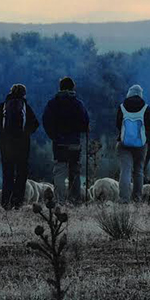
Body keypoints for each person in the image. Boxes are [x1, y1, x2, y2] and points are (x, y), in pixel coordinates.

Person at [0, 83, 39, 209]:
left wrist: (4, 131)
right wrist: (25, 133)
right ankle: (18, 202)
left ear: (10, 92)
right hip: (22, 145)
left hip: (6, 145)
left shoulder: (3, 106)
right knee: (22, 173)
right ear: (24, 94)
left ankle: (6, 202)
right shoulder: (25, 107)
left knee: (8, 173)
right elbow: (35, 124)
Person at [41, 76, 89, 205]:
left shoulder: (53, 103)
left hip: (59, 143)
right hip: (74, 143)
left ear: (60, 87)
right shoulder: (78, 104)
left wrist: (54, 136)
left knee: (59, 172)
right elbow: (85, 123)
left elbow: (46, 121)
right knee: (75, 171)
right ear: (73, 88)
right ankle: (74, 200)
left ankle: (60, 201)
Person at [116, 84, 150, 203]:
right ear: (140, 94)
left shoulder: (122, 107)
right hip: (140, 145)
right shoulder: (146, 108)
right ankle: (137, 198)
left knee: (125, 170)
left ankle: (124, 199)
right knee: (139, 171)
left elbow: (118, 124)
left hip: (124, 144)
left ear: (129, 92)